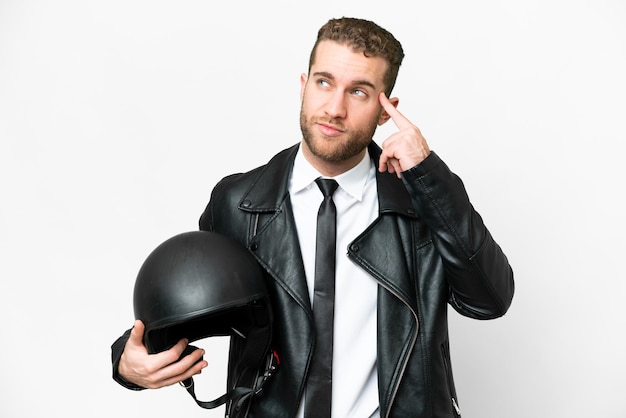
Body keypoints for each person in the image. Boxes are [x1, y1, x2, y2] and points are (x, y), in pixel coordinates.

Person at [111, 16, 514, 418]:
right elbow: (183, 306)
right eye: (324, 82)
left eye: (358, 91)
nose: (335, 109)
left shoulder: (423, 201)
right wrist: (126, 363)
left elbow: (490, 300)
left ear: (386, 110)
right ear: (303, 86)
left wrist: (428, 176)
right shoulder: (239, 203)